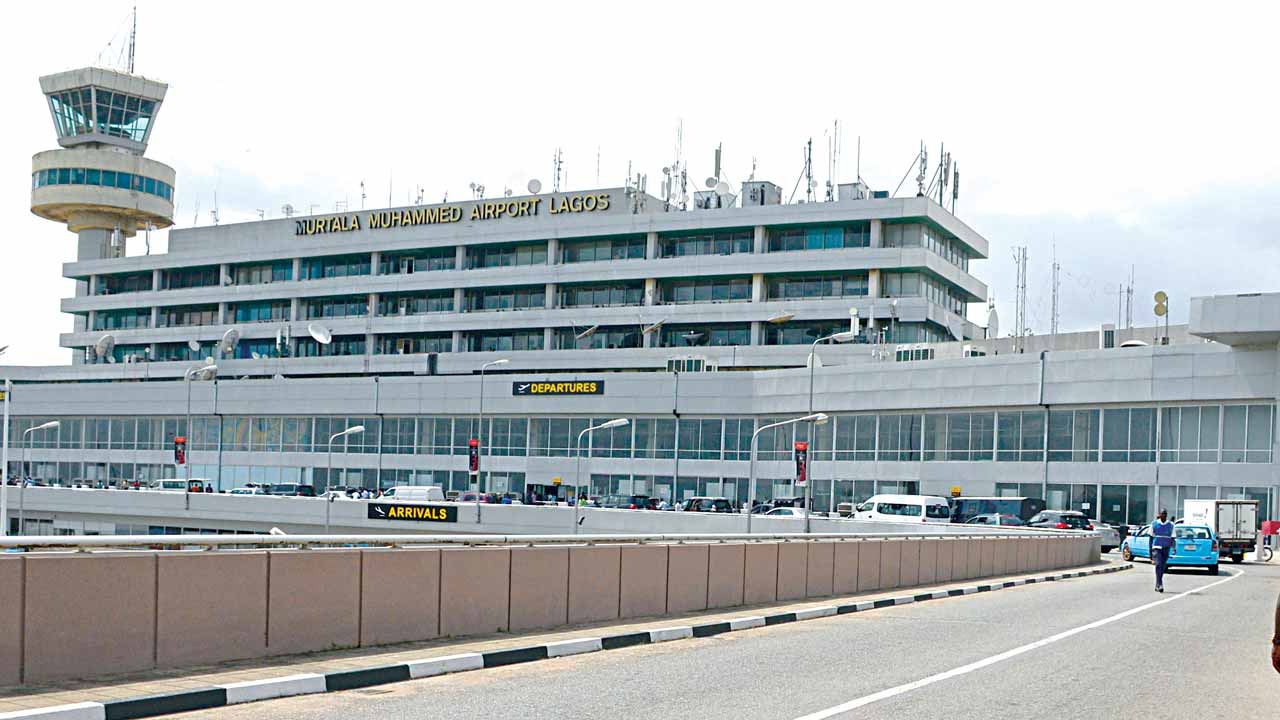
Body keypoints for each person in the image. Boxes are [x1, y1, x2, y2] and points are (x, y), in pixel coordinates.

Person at [1150, 509, 1174, 593]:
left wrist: (1174, 548)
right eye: (1162, 513)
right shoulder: (1154, 524)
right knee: (1158, 564)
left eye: (1165, 514)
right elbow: (1151, 538)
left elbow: (1173, 537)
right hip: (1156, 547)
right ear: (1159, 514)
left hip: (1166, 547)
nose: (1164, 515)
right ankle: (1160, 584)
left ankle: (1158, 583)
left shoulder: (1171, 525)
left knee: (1163, 566)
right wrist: (1150, 553)